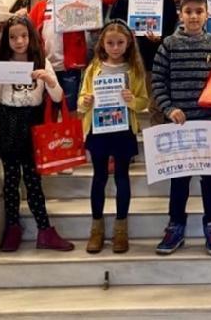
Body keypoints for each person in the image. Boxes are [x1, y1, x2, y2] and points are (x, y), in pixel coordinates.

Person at [0, 16, 73, 252]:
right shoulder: (2, 62)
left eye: (23, 36)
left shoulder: (41, 61)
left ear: (31, 36)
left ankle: (45, 231)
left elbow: (57, 97)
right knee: (11, 181)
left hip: (32, 123)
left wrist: (49, 80)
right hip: (8, 122)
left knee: (33, 181)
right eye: (13, 37)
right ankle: (13, 228)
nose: (19, 41)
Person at [152, 0, 211, 256]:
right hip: (180, 126)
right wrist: (169, 108)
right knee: (179, 181)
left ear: (207, 14)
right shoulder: (169, 44)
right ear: (180, 14)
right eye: (189, 12)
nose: (194, 16)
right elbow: (158, 82)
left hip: (209, 125)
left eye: (199, 11)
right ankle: (176, 225)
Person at [77, 21, 150, 254]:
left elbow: (143, 102)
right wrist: (85, 102)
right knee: (99, 177)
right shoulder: (94, 68)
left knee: (121, 177)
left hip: (123, 129)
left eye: (120, 43)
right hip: (98, 130)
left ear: (128, 43)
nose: (115, 47)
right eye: (110, 43)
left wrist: (132, 101)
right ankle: (96, 228)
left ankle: (121, 228)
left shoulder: (134, 69)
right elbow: (81, 100)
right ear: (103, 44)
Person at [108, 0, 180, 124]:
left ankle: (156, 138)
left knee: (156, 103)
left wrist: (160, 37)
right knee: (128, 100)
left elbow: (172, 28)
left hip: (155, 60)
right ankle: (130, 135)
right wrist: (126, 35)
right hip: (130, 59)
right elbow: (113, 26)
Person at [26, 0, 91, 117]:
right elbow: (29, 32)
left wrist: (88, 3)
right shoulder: (39, 7)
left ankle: (71, 138)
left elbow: (93, 25)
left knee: (70, 108)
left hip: (69, 68)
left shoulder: (77, 4)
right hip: (46, 66)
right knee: (48, 109)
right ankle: (50, 139)